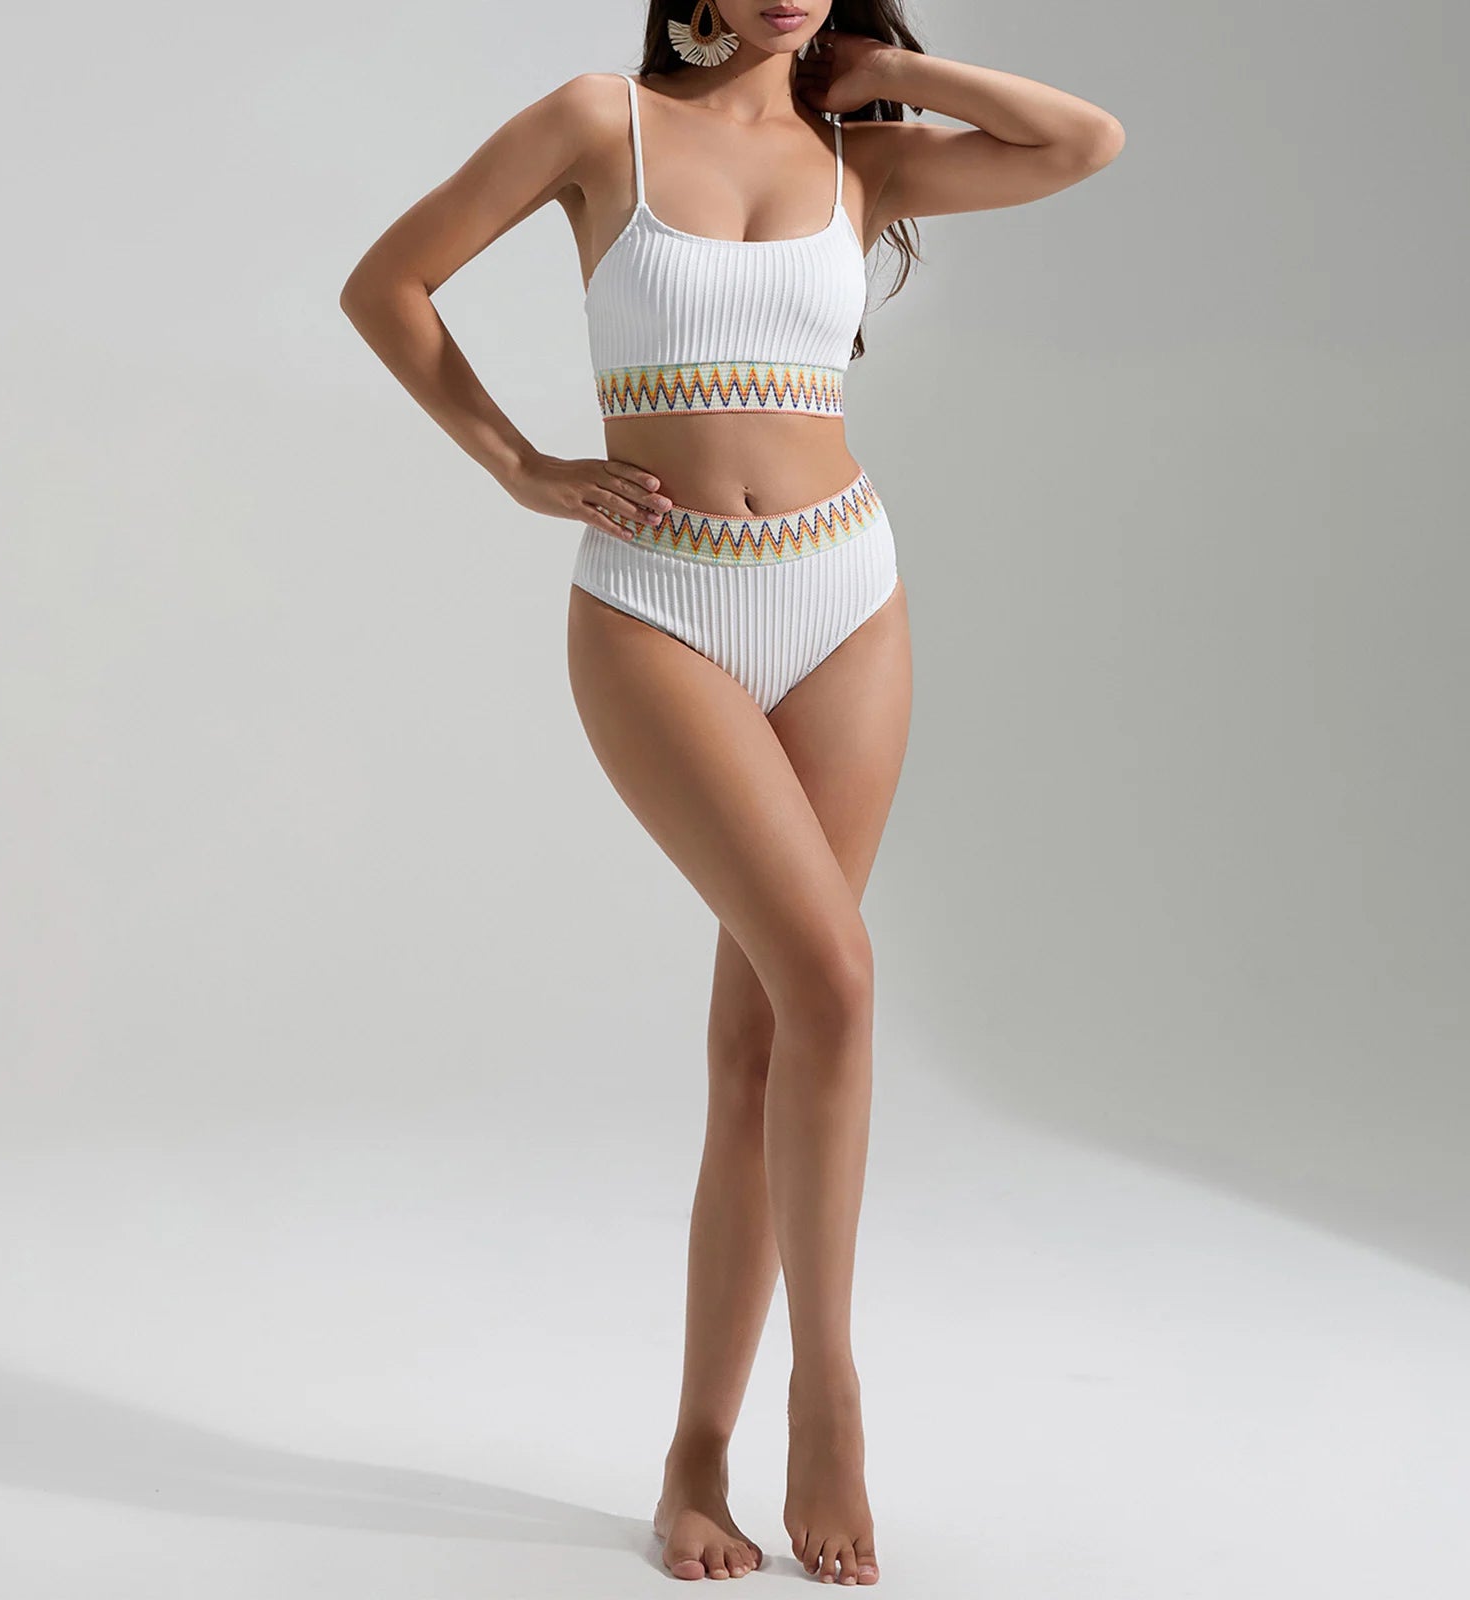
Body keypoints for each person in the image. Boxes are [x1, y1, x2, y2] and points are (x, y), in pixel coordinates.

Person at [339, 1, 1123, 1584]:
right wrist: (520, 462)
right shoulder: (598, 122)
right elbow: (387, 284)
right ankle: (826, 1395)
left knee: (764, 1036)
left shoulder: (860, 158)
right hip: (657, 602)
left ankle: (702, 1446)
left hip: (846, 594)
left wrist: (886, 75)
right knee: (835, 977)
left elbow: (1083, 143)